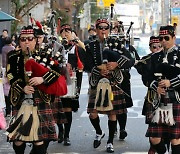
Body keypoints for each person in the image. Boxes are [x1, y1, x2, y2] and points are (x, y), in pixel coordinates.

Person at [6, 25, 67, 154]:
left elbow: (57, 72)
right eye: (23, 39)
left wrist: (43, 79)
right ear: (19, 41)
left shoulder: (46, 54)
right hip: (21, 98)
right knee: (18, 139)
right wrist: (22, 87)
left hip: (41, 97)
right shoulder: (13, 56)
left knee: (40, 138)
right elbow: (10, 74)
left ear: (35, 40)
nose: (26, 42)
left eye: (29, 38)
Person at [84, 18, 135, 153]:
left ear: (109, 29)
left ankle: (110, 141)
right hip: (97, 82)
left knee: (112, 114)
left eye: (106, 27)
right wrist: (98, 69)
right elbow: (86, 64)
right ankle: (99, 132)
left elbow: (131, 59)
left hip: (113, 82)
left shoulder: (117, 44)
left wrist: (116, 64)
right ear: (96, 29)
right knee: (92, 114)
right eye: (100, 27)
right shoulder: (90, 46)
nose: (103, 30)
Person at [143, 25, 180, 154]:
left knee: (175, 139)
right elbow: (148, 77)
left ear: (173, 38)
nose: (163, 41)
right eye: (161, 38)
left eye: (166, 38)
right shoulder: (155, 57)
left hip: (176, 99)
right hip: (158, 101)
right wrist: (156, 87)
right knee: (154, 138)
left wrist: (171, 82)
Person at [58, 24, 85, 146]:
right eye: (63, 31)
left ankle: (67, 135)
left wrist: (77, 40)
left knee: (67, 108)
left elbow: (85, 54)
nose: (65, 33)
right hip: (58, 79)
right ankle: (60, 130)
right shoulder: (56, 46)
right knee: (58, 108)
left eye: (68, 31)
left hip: (71, 80)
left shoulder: (76, 47)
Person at [1, 37, 15, 117]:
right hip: (11, 70)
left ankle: (8, 111)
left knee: (5, 89)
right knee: (11, 87)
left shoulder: (3, 48)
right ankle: (12, 108)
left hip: (4, 70)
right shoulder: (12, 48)